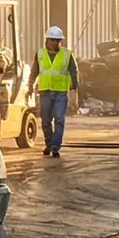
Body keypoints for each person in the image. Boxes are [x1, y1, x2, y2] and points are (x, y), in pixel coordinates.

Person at [35, 26, 76, 158]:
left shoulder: (67, 54)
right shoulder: (40, 54)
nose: (55, 43)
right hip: (45, 92)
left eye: (57, 40)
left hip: (60, 92)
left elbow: (74, 71)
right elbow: (34, 71)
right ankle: (48, 144)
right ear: (47, 40)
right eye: (52, 40)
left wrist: (74, 87)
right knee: (46, 121)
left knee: (59, 119)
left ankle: (55, 146)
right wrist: (30, 86)